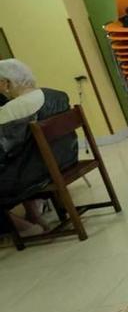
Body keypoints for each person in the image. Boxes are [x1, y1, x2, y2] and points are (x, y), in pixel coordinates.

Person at [0, 59, 77, 236]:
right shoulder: (57, 95)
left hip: (35, 172)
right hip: (64, 160)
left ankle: (24, 227)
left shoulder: (10, 110)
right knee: (23, 153)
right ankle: (34, 215)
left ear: (6, 83)